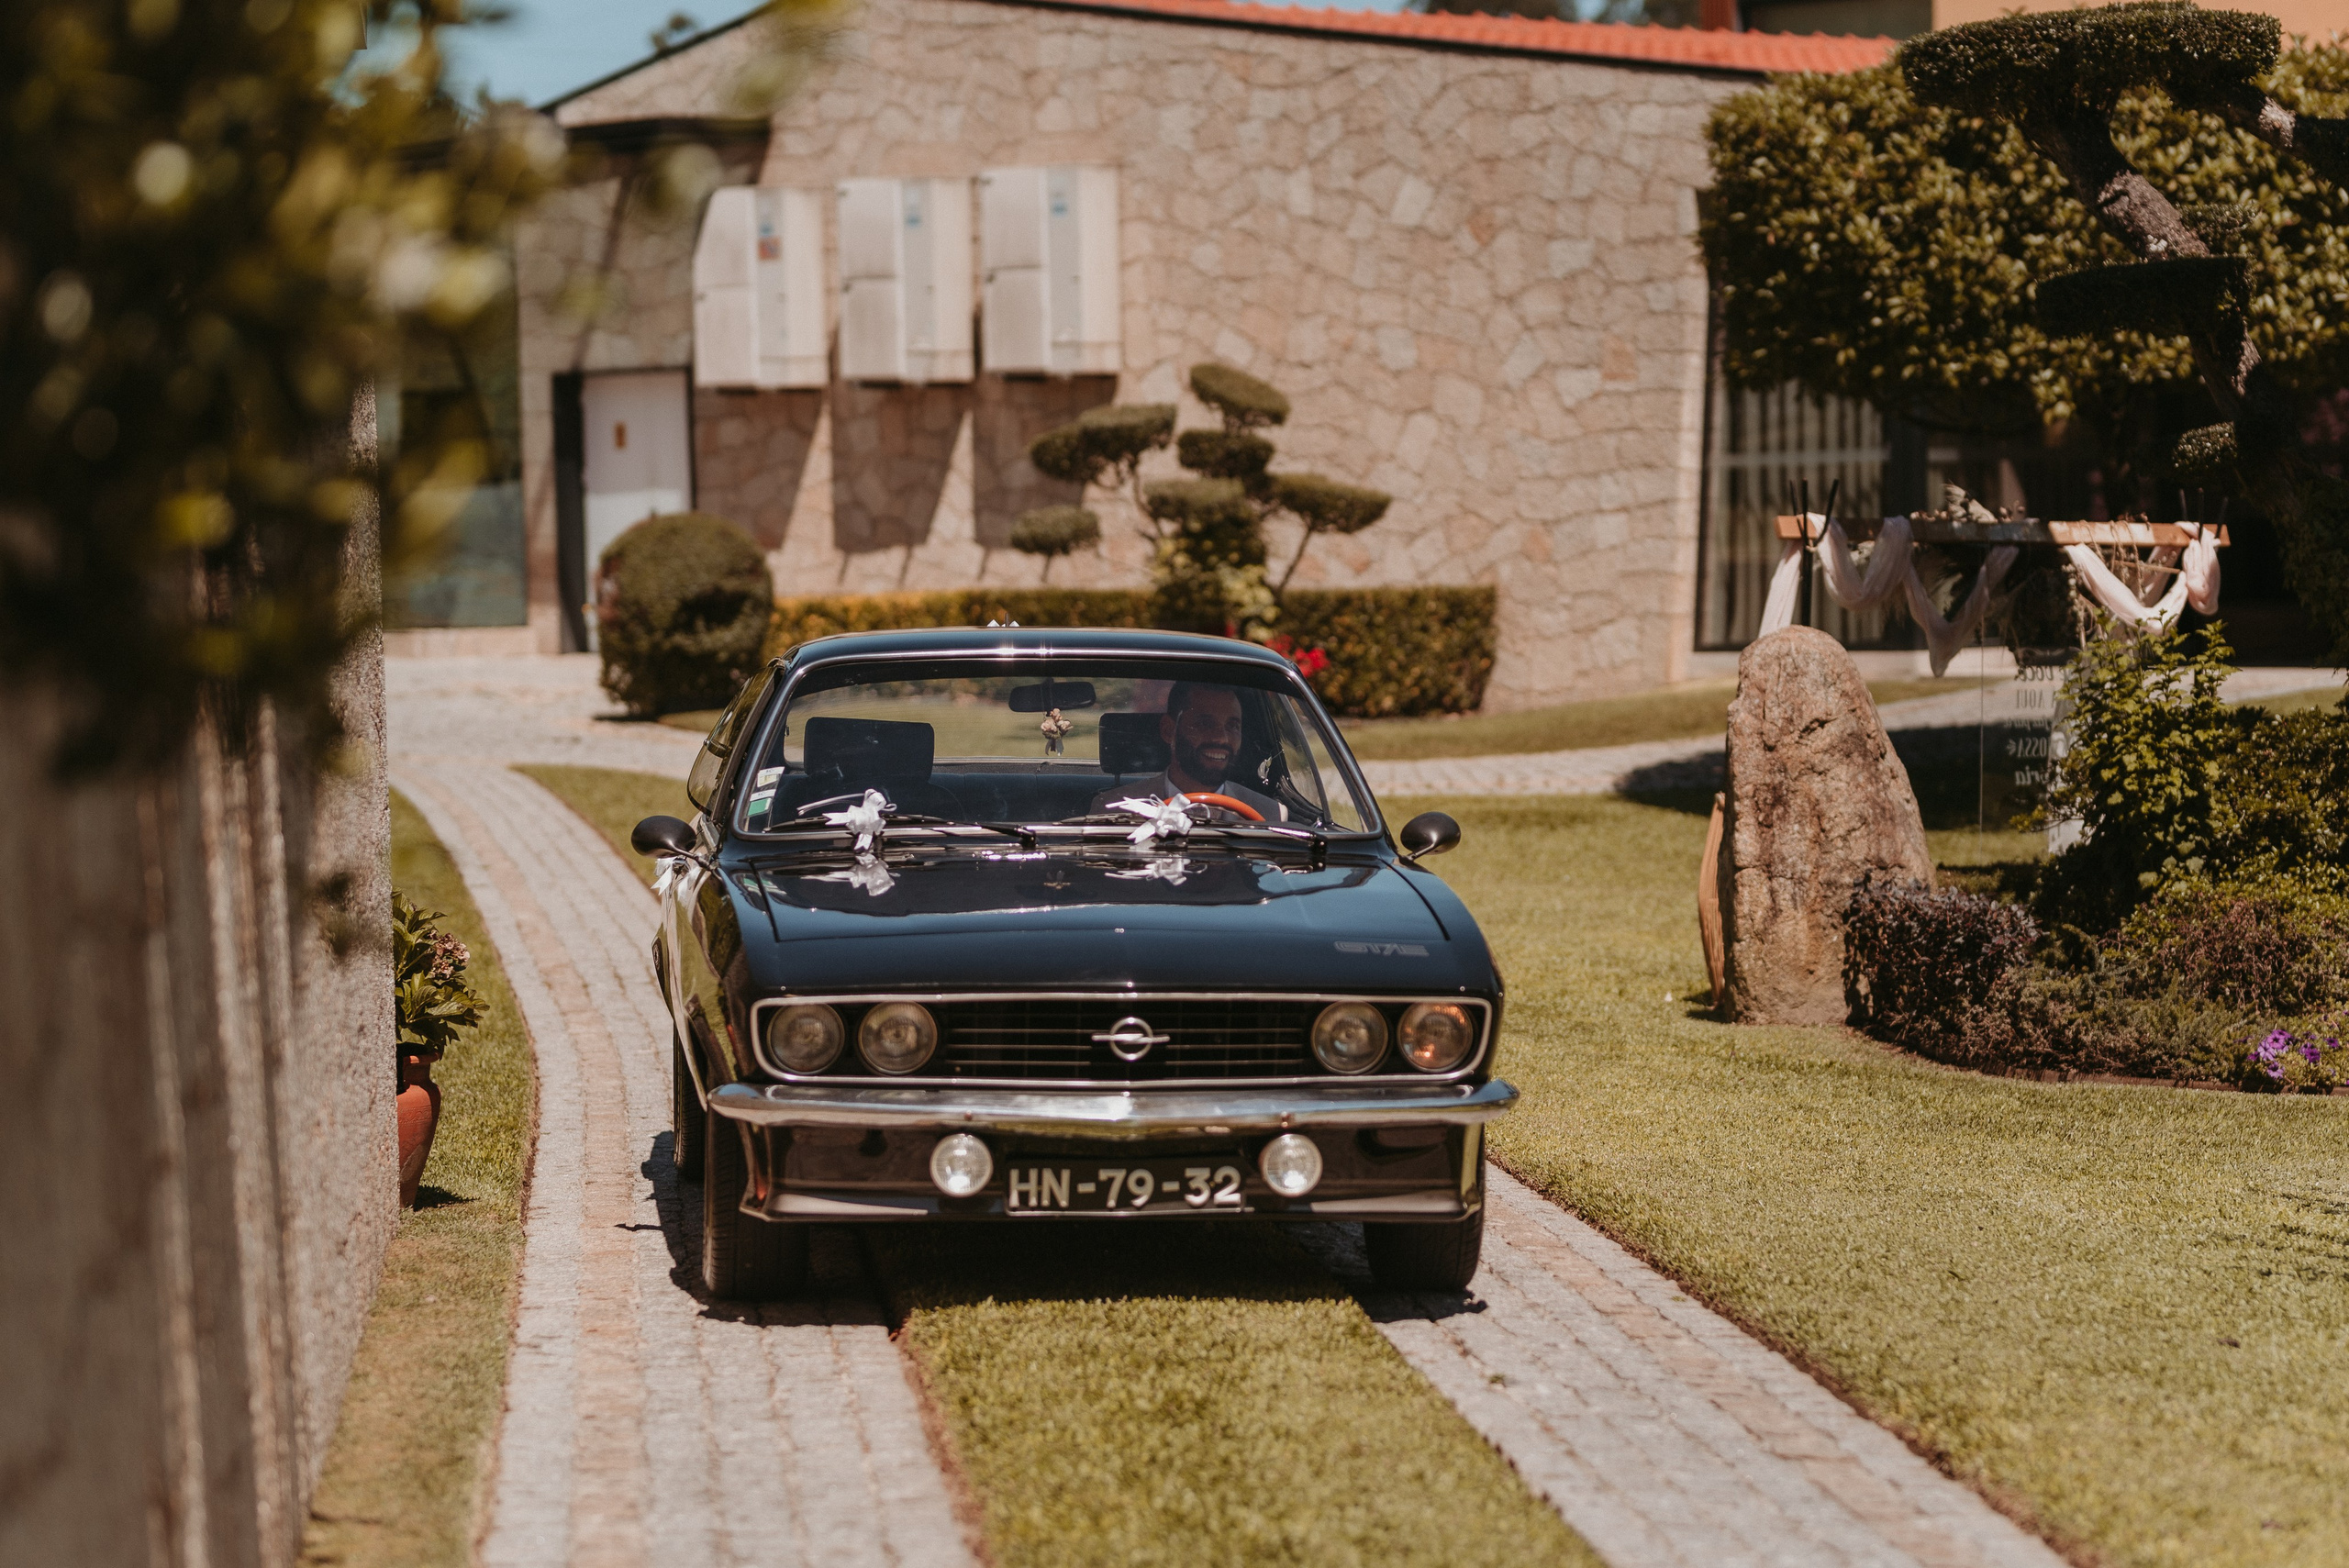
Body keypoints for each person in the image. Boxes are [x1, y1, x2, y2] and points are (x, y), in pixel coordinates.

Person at [1089, 682, 1286, 820]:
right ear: (1168, 730)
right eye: (1204, 723)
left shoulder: (1270, 814)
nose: (1221, 738)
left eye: (1233, 726)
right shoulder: (1113, 810)